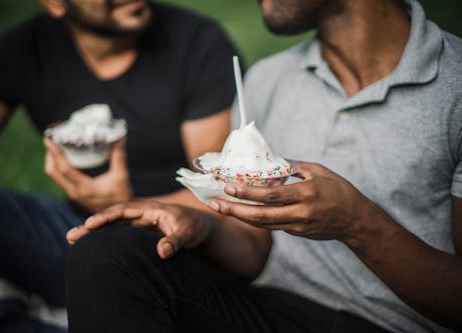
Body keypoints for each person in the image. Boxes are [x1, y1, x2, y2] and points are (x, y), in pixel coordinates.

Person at [65, 0, 462, 332]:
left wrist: (358, 224)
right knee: (105, 254)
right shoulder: (269, 79)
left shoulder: (454, 86)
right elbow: (255, 247)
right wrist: (202, 224)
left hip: (392, 326)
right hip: (278, 309)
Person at [0, 0, 238, 332]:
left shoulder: (197, 43)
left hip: (172, 248)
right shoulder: (25, 49)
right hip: (75, 228)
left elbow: (223, 198)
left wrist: (125, 206)